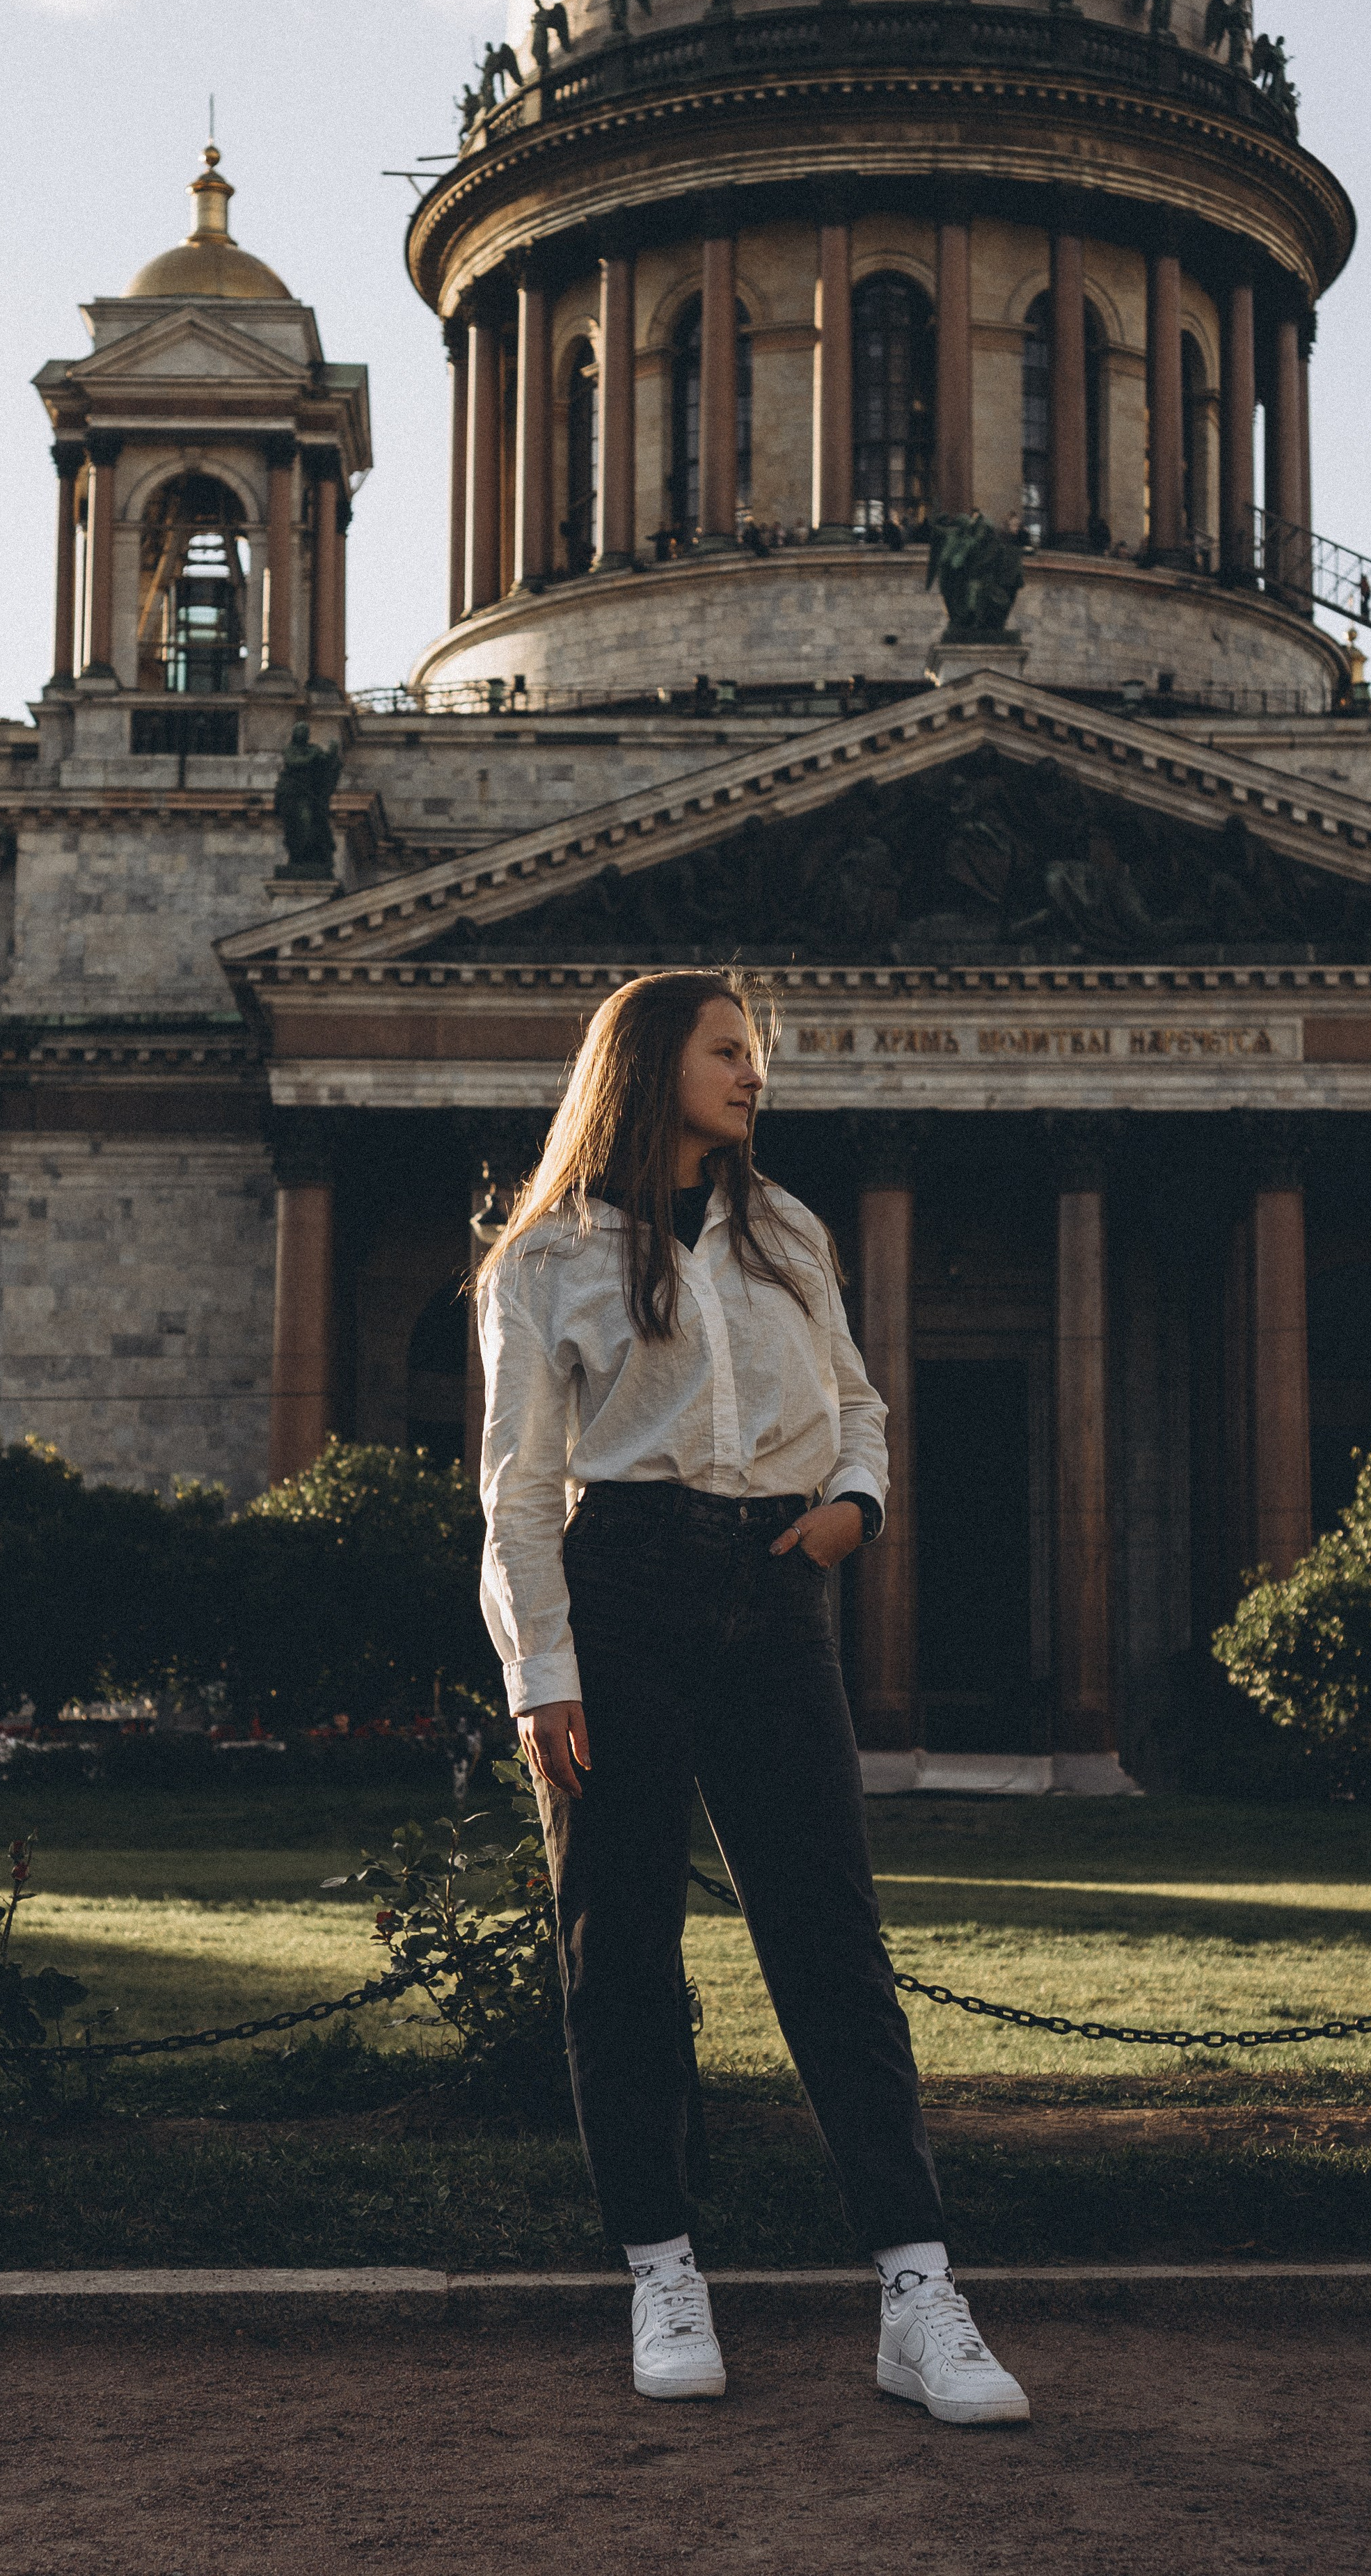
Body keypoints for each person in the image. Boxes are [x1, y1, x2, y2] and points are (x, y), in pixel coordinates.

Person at [475, 969, 1030, 2425]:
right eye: (728, 1050)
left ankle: (917, 2292)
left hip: (777, 1594)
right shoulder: (545, 1257)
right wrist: (542, 1676)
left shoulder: (786, 1229)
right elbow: (519, 1491)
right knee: (621, 1947)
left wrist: (853, 1506)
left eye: (756, 1052)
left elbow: (855, 1405)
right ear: (650, 1064)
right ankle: (662, 2270)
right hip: (623, 1596)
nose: (754, 1072)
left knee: (831, 1941)